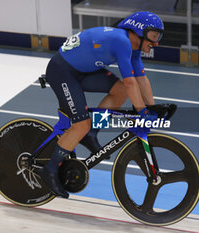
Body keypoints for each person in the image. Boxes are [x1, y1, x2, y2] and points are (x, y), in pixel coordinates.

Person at [38, 11, 164, 198]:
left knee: (119, 90)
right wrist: (143, 112)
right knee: (81, 124)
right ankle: (49, 170)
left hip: (82, 70)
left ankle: (91, 133)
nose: (156, 42)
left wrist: (151, 107)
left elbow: (141, 79)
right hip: (62, 71)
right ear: (138, 31)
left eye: (159, 37)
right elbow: (131, 83)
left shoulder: (134, 48)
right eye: (154, 36)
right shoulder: (122, 41)